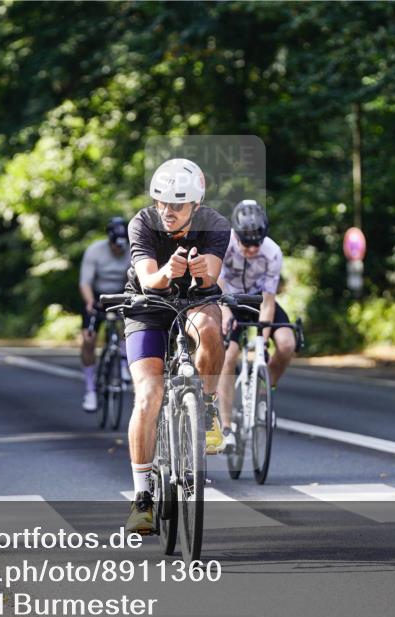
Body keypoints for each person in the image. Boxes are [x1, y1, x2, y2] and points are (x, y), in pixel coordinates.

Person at [122, 158, 231, 534]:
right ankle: (142, 499)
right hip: (148, 306)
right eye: (161, 203)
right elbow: (148, 277)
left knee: (211, 327)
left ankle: (207, 405)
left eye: (177, 205)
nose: (167, 212)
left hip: (194, 302)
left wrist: (201, 275)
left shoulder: (215, 224)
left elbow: (212, 276)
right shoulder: (143, 222)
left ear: (195, 206)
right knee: (149, 394)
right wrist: (169, 271)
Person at [216, 200, 297, 449]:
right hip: (227, 299)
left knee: (286, 343)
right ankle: (226, 426)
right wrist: (226, 311)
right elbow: (214, 283)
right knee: (228, 355)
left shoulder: (272, 252)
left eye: (256, 243)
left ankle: (264, 393)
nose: (251, 249)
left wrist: (263, 335)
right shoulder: (224, 244)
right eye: (246, 243)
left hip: (259, 301)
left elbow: (269, 300)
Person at [78, 216, 132, 412]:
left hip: (121, 294)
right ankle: (90, 390)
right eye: (116, 246)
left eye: (123, 245)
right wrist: (90, 301)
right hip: (96, 295)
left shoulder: (131, 252)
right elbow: (85, 282)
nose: (119, 249)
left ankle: (125, 363)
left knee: (132, 324)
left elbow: (134, 279)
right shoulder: (95, 251)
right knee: (89, 339)